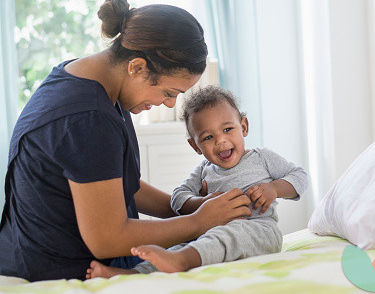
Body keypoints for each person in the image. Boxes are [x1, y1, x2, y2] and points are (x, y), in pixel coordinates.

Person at [0, 0, 252, 281]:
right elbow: (107, 237)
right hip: (58, 270)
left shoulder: (90, 79)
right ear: (137, 67)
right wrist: (197, 222)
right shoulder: (88, 118)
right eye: (169, 93)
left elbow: (110, 184)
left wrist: (188, 206)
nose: (169, 104)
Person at [86, 86, 309, 278]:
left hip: (259, 230)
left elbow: (300, 176)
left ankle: (181, 262)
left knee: (222, 236)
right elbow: (178, 197)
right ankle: (133, 275)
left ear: (244, 127)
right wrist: (200, 204)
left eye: (227, 129)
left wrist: (274, 188)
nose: (221, 141)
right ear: (195, 146)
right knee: (180, 245)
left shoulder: (261, 158)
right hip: (209, 233)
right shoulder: (204, 170)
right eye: (208, 137)